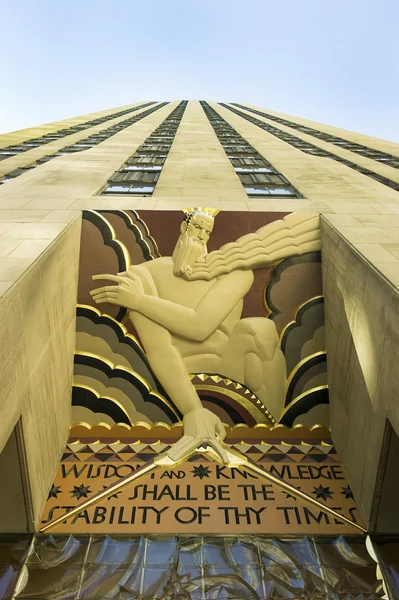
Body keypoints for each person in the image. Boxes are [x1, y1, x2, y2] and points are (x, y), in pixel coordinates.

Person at [91, 209, 320, 462]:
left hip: (232, 367)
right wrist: (193, 410)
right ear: (184, 226)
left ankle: (273, 436)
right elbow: (158, 347)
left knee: (259, 329)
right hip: (178, 374)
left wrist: (140, 301)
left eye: (207, 231)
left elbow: (200, 326)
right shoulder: (145, 275)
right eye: (197, 227)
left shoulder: (234, 272)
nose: (201, 235)